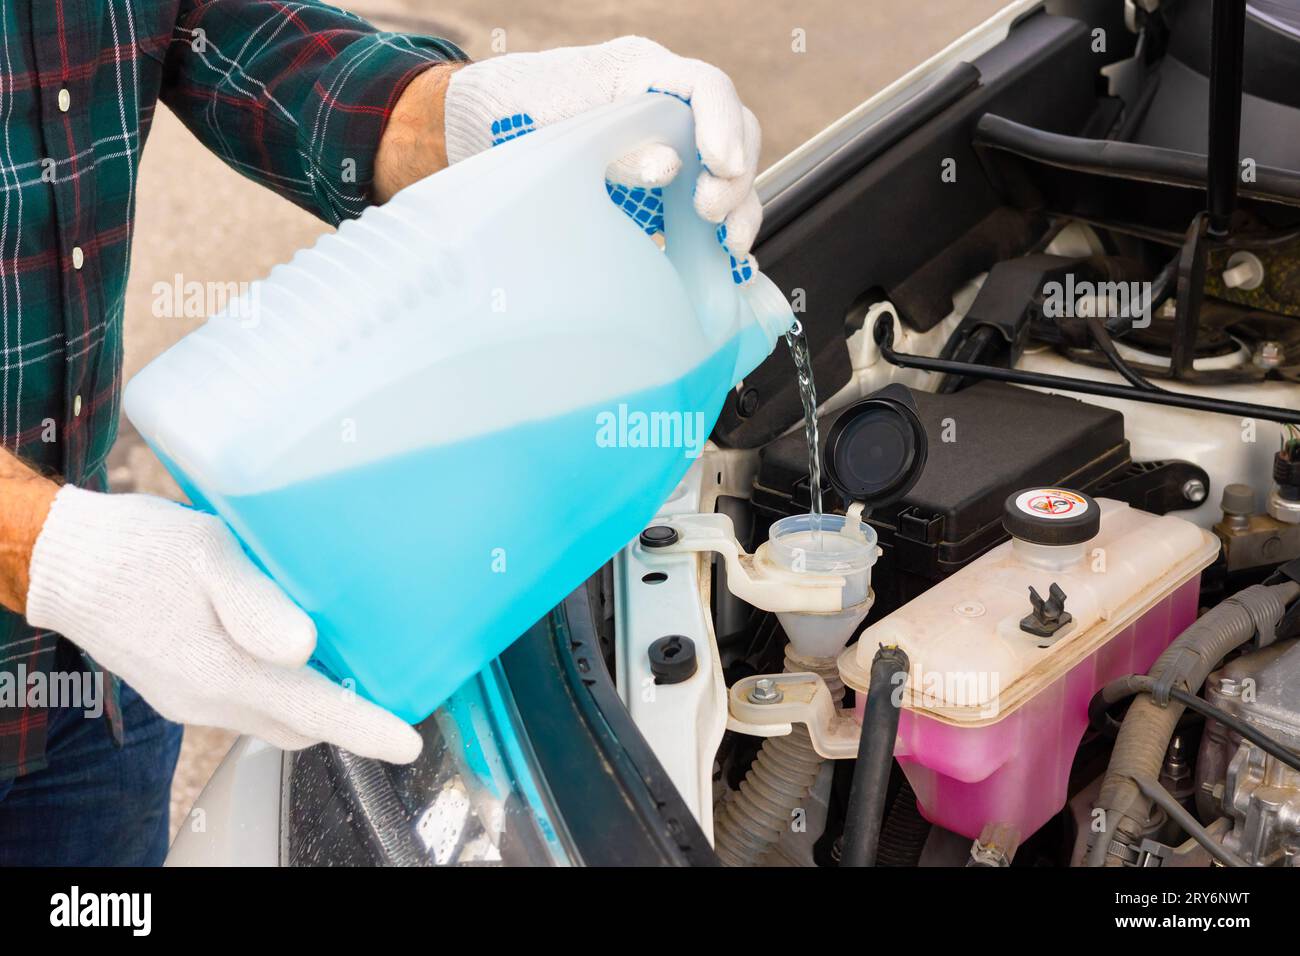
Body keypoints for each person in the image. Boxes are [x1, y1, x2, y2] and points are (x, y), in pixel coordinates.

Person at [0, 1, 761, 865]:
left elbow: (236, 44)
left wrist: (472, 115)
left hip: (92, 688)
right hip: (87, 584)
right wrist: (48, 554)